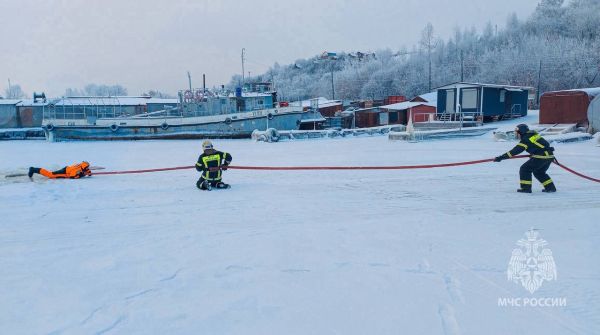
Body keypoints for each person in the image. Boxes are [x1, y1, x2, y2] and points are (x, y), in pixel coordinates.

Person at [494, 124, 557, 193]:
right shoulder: (533, 135)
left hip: (540, 157)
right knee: (539, 172)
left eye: (517, 133)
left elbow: (515, 151)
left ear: (521, 131)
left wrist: (501, 157)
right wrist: (534, 153)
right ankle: (550, 188)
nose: (516, 134)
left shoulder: (526, 139)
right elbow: (542, 145)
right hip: (549, 156)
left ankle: (526, 188)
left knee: (525, 169)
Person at [28, 161, 92, 179]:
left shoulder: (81, 165)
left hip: (67, 169)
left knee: (51, 174)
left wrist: (87, 172)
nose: (87, 168)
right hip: (64, 172)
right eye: (86, 168)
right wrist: (83, 175)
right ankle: (33, 169)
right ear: (84, 167)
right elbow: (73, 176)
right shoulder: (78, 170)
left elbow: (83, 170)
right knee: (50, 175)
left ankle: (34, 169)